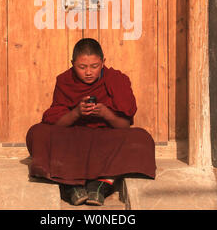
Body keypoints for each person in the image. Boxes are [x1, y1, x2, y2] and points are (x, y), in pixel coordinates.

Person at [26, 38, 156, 206]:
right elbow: (57, 124)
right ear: (73, 64)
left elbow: (124, 126)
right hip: (74, 139)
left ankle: (96, 184)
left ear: (103, 62)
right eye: (82, 67)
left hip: (106, 138)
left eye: (94, 66)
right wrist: (76, 113)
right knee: (37, 132)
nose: (88, 72)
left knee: (142, 138)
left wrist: (106, 114)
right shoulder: (65, 80)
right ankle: (73, 185)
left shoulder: (117, 79)